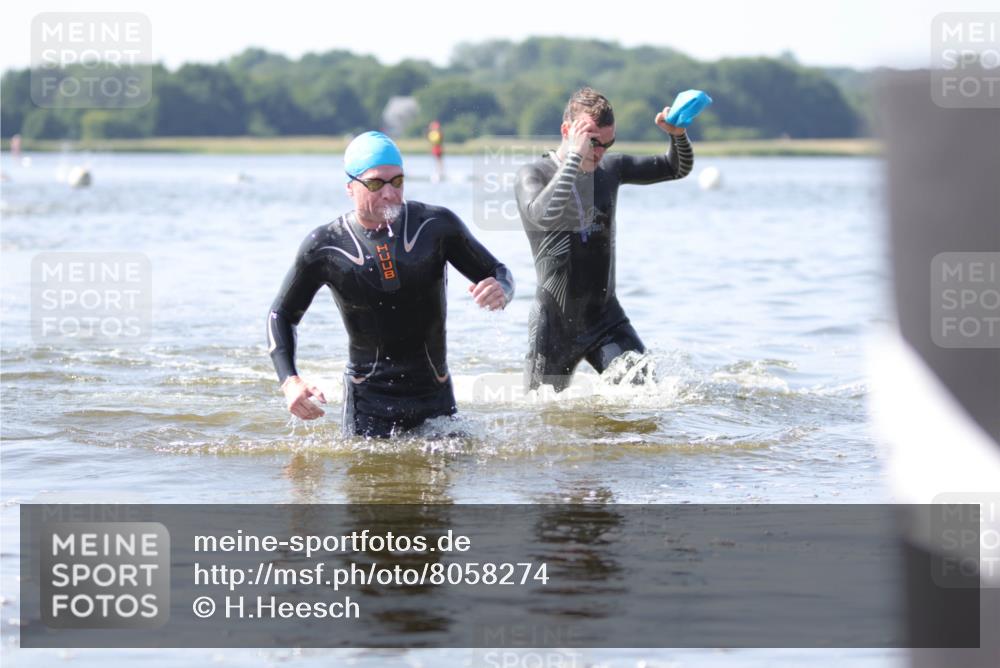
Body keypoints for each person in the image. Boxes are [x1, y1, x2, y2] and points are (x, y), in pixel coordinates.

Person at [267, 131, 514, 437]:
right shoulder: (326, 246)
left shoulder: (436, 226)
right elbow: (281, 315)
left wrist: (501, 289)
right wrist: (290, 381)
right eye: (375, 183)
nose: (389, 193)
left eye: (397, 181)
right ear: (350, 187)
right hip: (368, 404)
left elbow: (498, 271)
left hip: (434, 397)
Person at [514, 87, 694, 391]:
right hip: (553, 326)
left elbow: (676, 168)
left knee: (649, 397)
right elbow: (542, 214)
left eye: (607, 144)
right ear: (567, 131)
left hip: (606, 319)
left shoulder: (610, 169)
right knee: (542, 418)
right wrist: (574, 157)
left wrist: (677, 135)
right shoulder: (534, 174)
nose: (599, 153)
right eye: (592, 142)